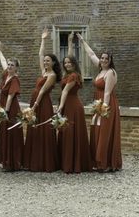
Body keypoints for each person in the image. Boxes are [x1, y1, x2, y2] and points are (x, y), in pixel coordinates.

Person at [78, 33, 122, 172]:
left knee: (104, 132)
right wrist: (83, 41)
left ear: (110, 60)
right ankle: (97, 161)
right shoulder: (100, 69)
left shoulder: (110, 73)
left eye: (106, 59)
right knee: (96, 129)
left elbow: (108, 92)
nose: (103, 60)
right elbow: (91, 55)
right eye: (102, 58)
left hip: (106, 105)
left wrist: (104, 109)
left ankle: (106, 163)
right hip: (99, 103)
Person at [23, 28, 61, 172]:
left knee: (42, 129)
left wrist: (35, 106)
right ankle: (33, 160)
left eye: (47, 61)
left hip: (42, 103)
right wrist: (43, 40)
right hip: (35, 100)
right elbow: (40, 54)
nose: (45, 62)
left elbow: (43, 91)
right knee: (34, 129)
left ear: (53, 63)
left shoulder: (52, 75)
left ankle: (44, 162)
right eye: (44, 61)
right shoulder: (44, 71)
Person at [56, 33, 92, 173]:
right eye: (65, 63)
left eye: (69, 63)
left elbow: (65, 91)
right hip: (67, 105)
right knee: (66, 132)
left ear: (74, 64)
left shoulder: (75, 75)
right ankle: (66, 161)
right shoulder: (67, 74)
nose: (67, 64)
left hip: (72, 106)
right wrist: (70, 43)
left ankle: (73, 163)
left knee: (71, 132)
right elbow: (70, 57)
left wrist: (59, 107)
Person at [0, 42, 23, 172]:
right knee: (4, 132)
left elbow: (11, 96)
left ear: (16, 68)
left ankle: (13, 162)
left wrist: (5, 111)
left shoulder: (14, 79)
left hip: (11, 109)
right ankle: (5, 161)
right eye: (9, 65)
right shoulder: (6, 75)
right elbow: (3, 62)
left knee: (11, 133)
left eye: (12, 65)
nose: (9, 66)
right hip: (4, 106)